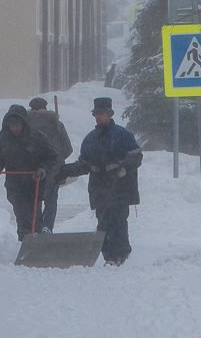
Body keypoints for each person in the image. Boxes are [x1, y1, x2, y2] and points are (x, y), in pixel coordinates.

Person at [57, 96, 142, 265]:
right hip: (99, 188)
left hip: (120, 186)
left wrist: (122, 168)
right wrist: (65, 171)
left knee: (118, 221)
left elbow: (136, 156)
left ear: (109, 114)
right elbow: (84, 164)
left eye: (101, 113)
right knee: (103, 222)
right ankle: (108, 255)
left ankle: (120, 254)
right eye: (96, 114)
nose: (98, 117)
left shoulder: (123, 135)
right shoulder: (90, 139)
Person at [0, 103, 59, 240]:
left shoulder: (37, 137)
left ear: (24, 123)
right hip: (14, 185)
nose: (14, 127)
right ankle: (24, 242)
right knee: (21, 217)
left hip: (33, 184)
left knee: (34, 217)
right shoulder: (2, 139)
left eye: (17, 124)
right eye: (12, 124)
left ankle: (35, 243)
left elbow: (52, 157)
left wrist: (42, 169)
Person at [27, 97, 73, 233]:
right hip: (54, 170)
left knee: (35, 199)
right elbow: (68, 148)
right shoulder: (57, 124)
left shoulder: (26, 125)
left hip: (33, 169)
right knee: (51, 199)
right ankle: (47, 227)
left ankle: (35, 227)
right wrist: (57, 159)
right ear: (45, 108)